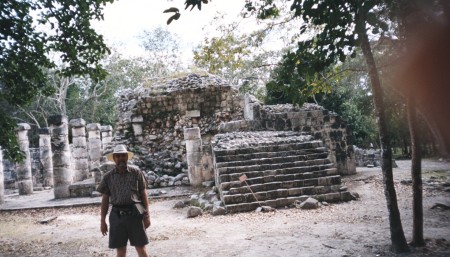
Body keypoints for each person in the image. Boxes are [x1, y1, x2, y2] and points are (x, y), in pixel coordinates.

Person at [97, 144, 151, 257]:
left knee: (141, 247)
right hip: (117, 216)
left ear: (127, 157)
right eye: (118, 156)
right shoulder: (108, 177)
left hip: (135, 214)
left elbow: (143, 193)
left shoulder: (136, 173)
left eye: (123, 156)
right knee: (120, 250)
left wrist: (147, 216)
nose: (121, 158)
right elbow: (105, 200)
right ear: (114, 159)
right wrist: (103, 221)